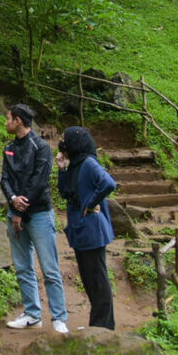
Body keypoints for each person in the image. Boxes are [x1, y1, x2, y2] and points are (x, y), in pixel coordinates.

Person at [0, 103, 69, 334]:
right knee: (22, 267)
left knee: (50, 269)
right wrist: (12, 199)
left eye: (8, 118)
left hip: (38, 214)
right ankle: (32, 314)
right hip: (15, 213)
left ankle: (59, 318)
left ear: (18, 121)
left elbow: (39, 182)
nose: (6, 122)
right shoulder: (9, 148)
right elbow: (4, 179)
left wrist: (19, 210)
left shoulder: (41, 147)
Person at [57, 125, 118, 330]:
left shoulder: (89, 163)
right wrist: (62, 169)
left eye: (65, 139)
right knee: (89, 280)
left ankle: (103, 327)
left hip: (92, 229)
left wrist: (90, 203)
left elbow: (108, 183)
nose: (62, 143)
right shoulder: (75, 165)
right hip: (81, 230)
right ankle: (98, 325)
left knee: (98, 281)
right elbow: (65, 193)